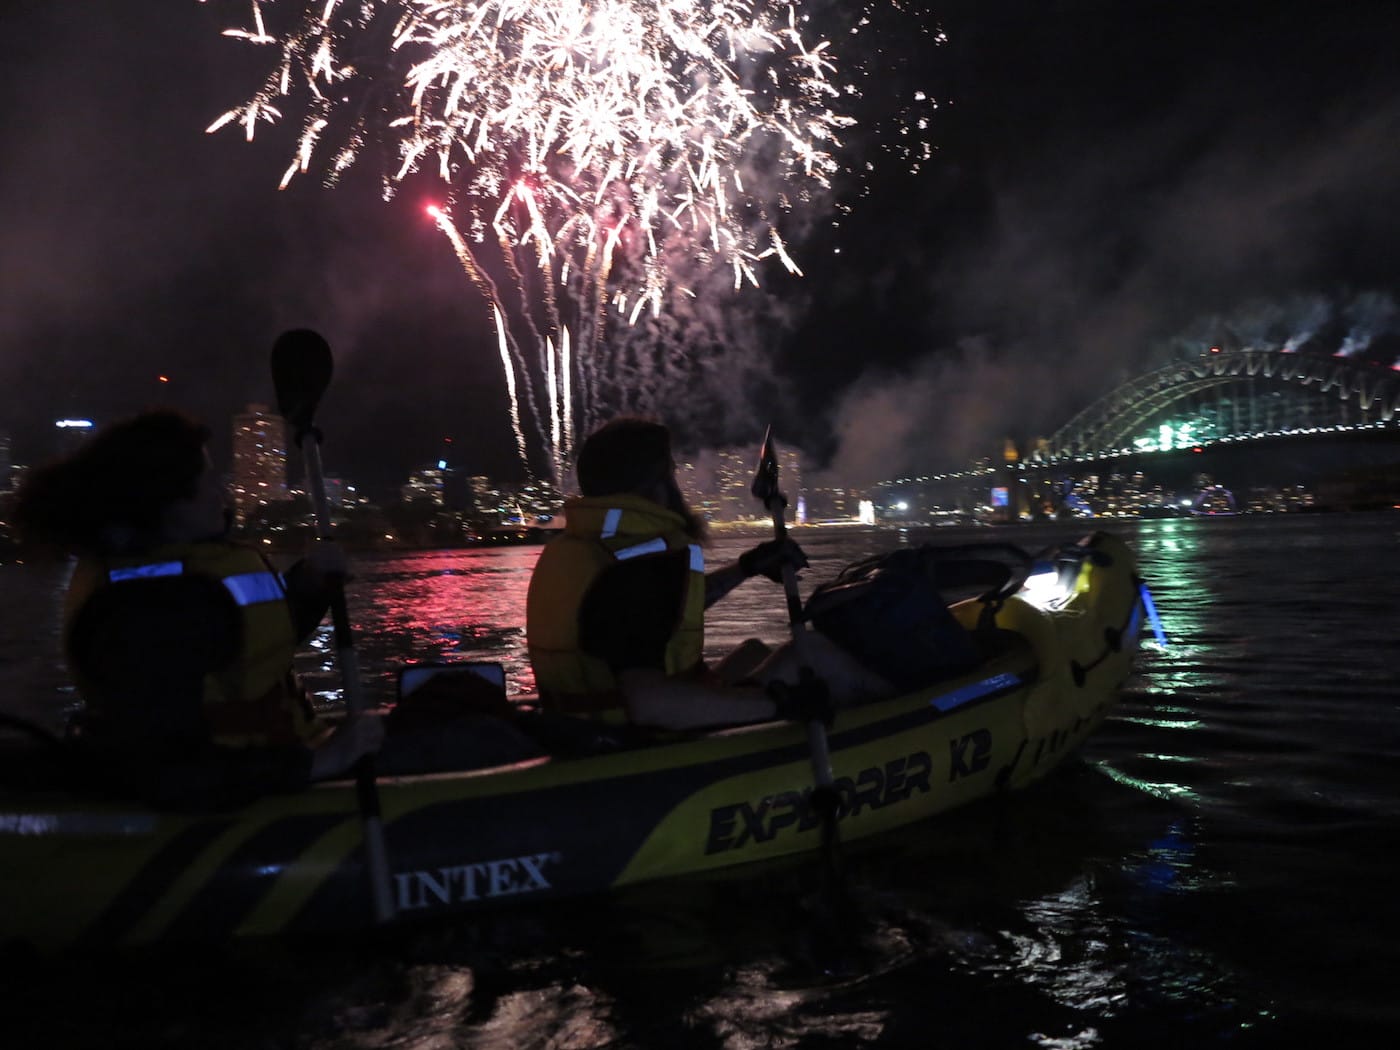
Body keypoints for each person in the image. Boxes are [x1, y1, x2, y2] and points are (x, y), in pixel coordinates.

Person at [12, 409, 385, 807]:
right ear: (169, 501)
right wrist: (321, 762)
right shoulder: (149, 610)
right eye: (208, 481)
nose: (222, 495)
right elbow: (164, 770)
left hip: (276, 757)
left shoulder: (176, 584)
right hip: (263, 783)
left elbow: (240, 647)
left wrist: (308, 587)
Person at [526, 416, 893, 731]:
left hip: (580, 724)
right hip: (641, 738)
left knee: (752, 651)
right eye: (670, 472)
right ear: (657, 482)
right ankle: (905, 722)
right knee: (813, 652)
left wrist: (746, 567)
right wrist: (783, 705)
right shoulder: (640, 566)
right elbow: (649, 703)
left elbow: (653, 615)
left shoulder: (582, 548)